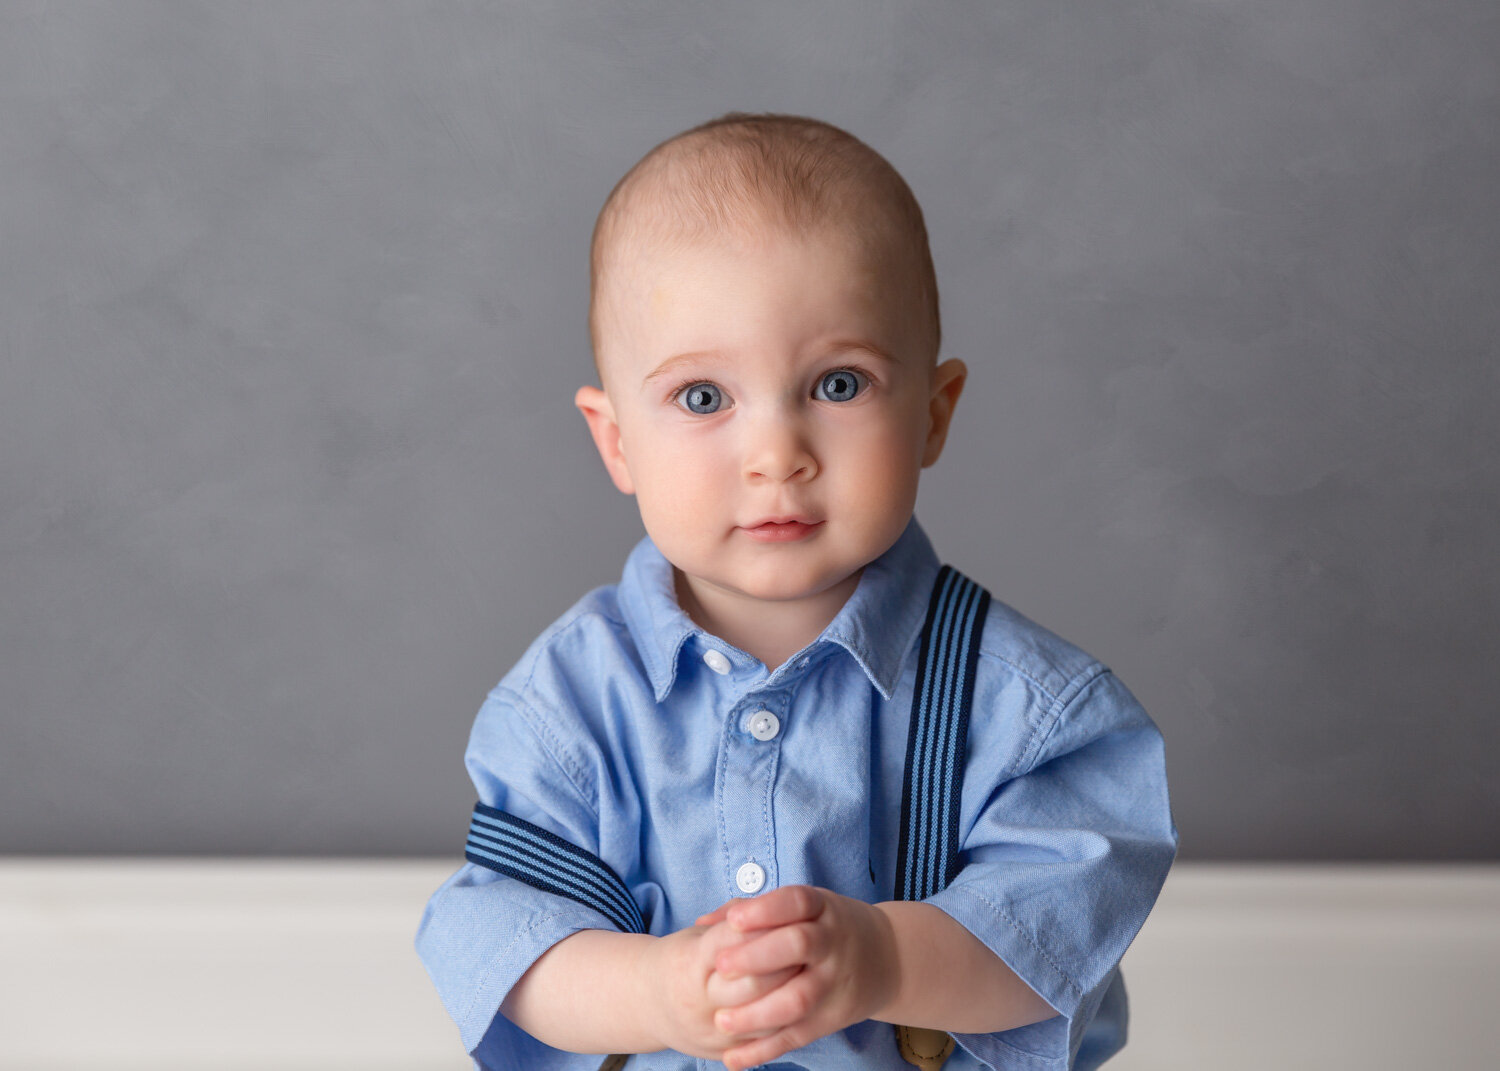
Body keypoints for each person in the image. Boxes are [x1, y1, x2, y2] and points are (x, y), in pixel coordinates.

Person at [415, 112, 1176, 1071]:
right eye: (703, 398)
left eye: (840, 385)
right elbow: (505, 940)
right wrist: (654, 990)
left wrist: (885, 957)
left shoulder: (1024, 704)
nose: (777, 455)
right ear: (616, 441)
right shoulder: (571, 701)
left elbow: (1060, 936)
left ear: (933, 414)